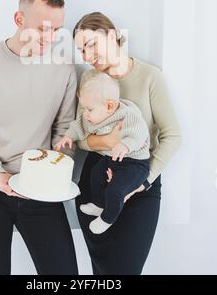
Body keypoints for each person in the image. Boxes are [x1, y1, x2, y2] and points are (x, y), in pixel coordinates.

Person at [0, 0, 78, 275]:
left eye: (56, 30)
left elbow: (66, 134)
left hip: (40, 188)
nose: (50, 38)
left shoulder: (64, 69)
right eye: (42, 29)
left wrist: (51, 176)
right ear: (19, 20)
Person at [73, 11, 182, 275]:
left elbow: (173, 135)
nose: (87, 56)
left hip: (140, 180)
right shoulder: (89, 80)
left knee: (126, 269)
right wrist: (108, 141)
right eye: (81, 50)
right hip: (96, 181)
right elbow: (82, 139)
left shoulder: (149, 77)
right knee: (102, 269)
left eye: (91, 45)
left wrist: (142, 184)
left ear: (112, 35)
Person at [55, 72, 150, 234]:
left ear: (109, 106)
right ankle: (99, 205)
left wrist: (126, 145)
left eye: (89, 109)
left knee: (116, 190)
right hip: (113, 157)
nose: (85, 113)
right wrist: (68, 136)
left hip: (135, 162)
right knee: (96, 175)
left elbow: (139, 133)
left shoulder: (128, 115)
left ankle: (108, 219)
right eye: (84, 108)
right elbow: (79, 125)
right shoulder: (92, 116)